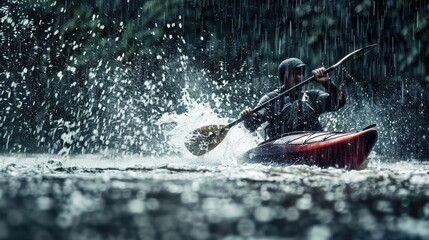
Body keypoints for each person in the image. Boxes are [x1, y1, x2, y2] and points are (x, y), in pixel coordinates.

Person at [240, 58, 346, 139]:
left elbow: (338, 103)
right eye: (294, 74)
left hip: (313, 141)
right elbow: (252, 126)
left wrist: (328, 83)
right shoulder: (270, 99)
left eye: (300, 74)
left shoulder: (313, 97)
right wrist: (248, 117)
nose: (298, 78)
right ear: (284, 77)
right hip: (280, 148)